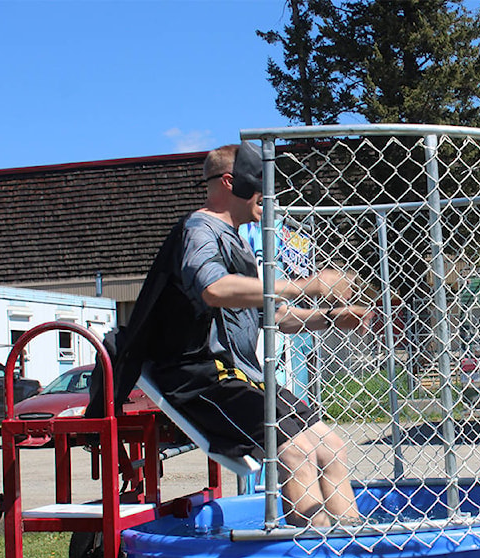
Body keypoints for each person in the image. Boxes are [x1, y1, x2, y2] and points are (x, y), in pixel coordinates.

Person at [94, 142, 371, 528]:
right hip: (202, 380)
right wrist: (304, 284)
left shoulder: (238, 240)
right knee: (297, 454)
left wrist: (329, 317)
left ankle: (357, 553)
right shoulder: (199, 230)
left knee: (331, 447)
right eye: (262, 184)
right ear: (231, 182)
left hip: (244, 378)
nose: (269, 195)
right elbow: (214, 289)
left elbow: (273, 315)